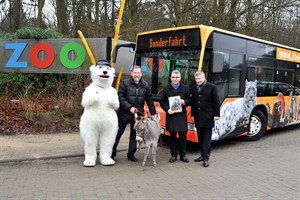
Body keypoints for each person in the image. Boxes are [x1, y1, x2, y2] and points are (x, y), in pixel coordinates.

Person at [112, 65, 156, 162]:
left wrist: (153, 113)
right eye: (135, 72)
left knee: (134, 136)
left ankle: (131, 154)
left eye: (138, 73)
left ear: (141, 74)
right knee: (117, 134)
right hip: (124, 114)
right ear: (132, 73)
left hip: (138, 117)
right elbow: (120, 97)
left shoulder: (145, 85)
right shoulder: (125, 83)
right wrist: (129, 107)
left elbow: (149, 100)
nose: (137, 74)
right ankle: (111, 154)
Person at [190, 70, 220, 167]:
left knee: (207, 139)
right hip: (198, 117)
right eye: (196, 79)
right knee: (200, 138)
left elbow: (216, 102)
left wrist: (216, 114)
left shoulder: (212, 87)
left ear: (204, 78)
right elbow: (194, 103)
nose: (198, 80)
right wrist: (192, 115)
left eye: (200, 78)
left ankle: (206, 158)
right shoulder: (194, 88)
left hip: (208, 117)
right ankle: (202, 155)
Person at [160, 70, 190, 163]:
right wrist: (167, 109)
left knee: (182, 137)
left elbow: (190, 100)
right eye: (173, 77)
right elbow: (162, 101)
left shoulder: (185, 88)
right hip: (171, 115)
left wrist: (184, 102)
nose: (175, 79)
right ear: (171, 78)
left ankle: (183, 155)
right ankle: (173, 155)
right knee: (172, 137)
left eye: (177, 77)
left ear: (180, 78)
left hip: (181, 116)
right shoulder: (166, 89)